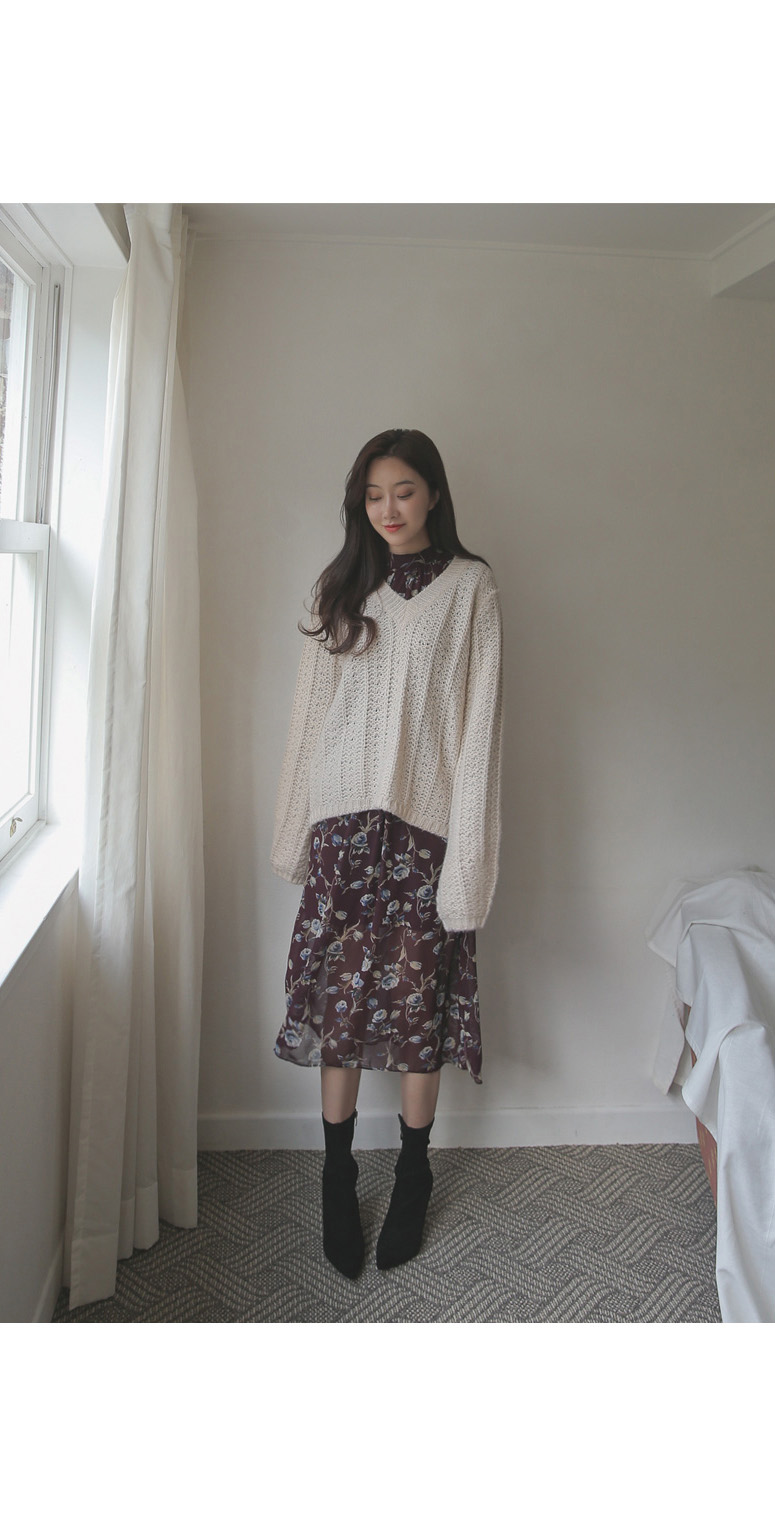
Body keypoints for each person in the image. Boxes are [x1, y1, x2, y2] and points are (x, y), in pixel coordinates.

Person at [270, 428, 503, 1279]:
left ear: (433, 492)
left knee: (415, 1009)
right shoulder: (339, 585)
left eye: (403, 491)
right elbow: (308, 720)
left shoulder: (470, 588)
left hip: (423, 833)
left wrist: (467, 859)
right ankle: (336, 1176)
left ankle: (412, 1171)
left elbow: (479, 731)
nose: (388, 509)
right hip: (342, 828)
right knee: (338, 1006)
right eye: (373, 495)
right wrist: (294, 830)